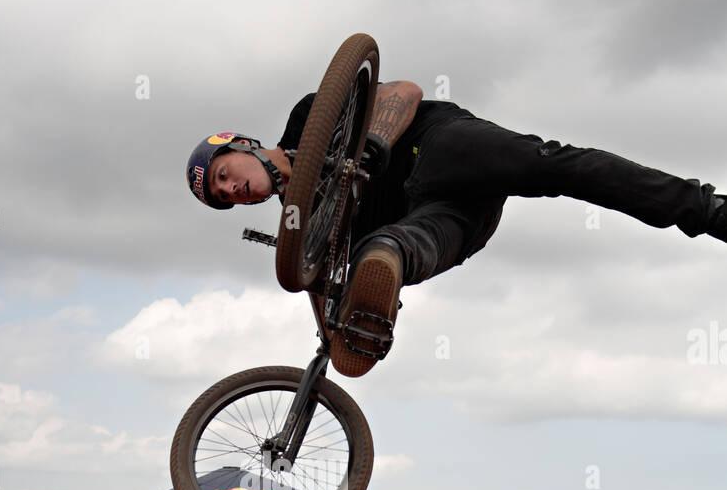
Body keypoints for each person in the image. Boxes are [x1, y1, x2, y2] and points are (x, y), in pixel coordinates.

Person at [187, 82, 727, 377]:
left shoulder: (309, 118)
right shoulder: (306, 226)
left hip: (439, 146)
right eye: (223, 197)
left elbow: (403, 90)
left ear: (243, 145)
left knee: (557, 168)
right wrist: (339, 327)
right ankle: (388, 260)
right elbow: (318, 279)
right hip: (450, 218)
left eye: (225, 175)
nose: (232, 190)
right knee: (390, 252)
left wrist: (373, 142)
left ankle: (711, 212)